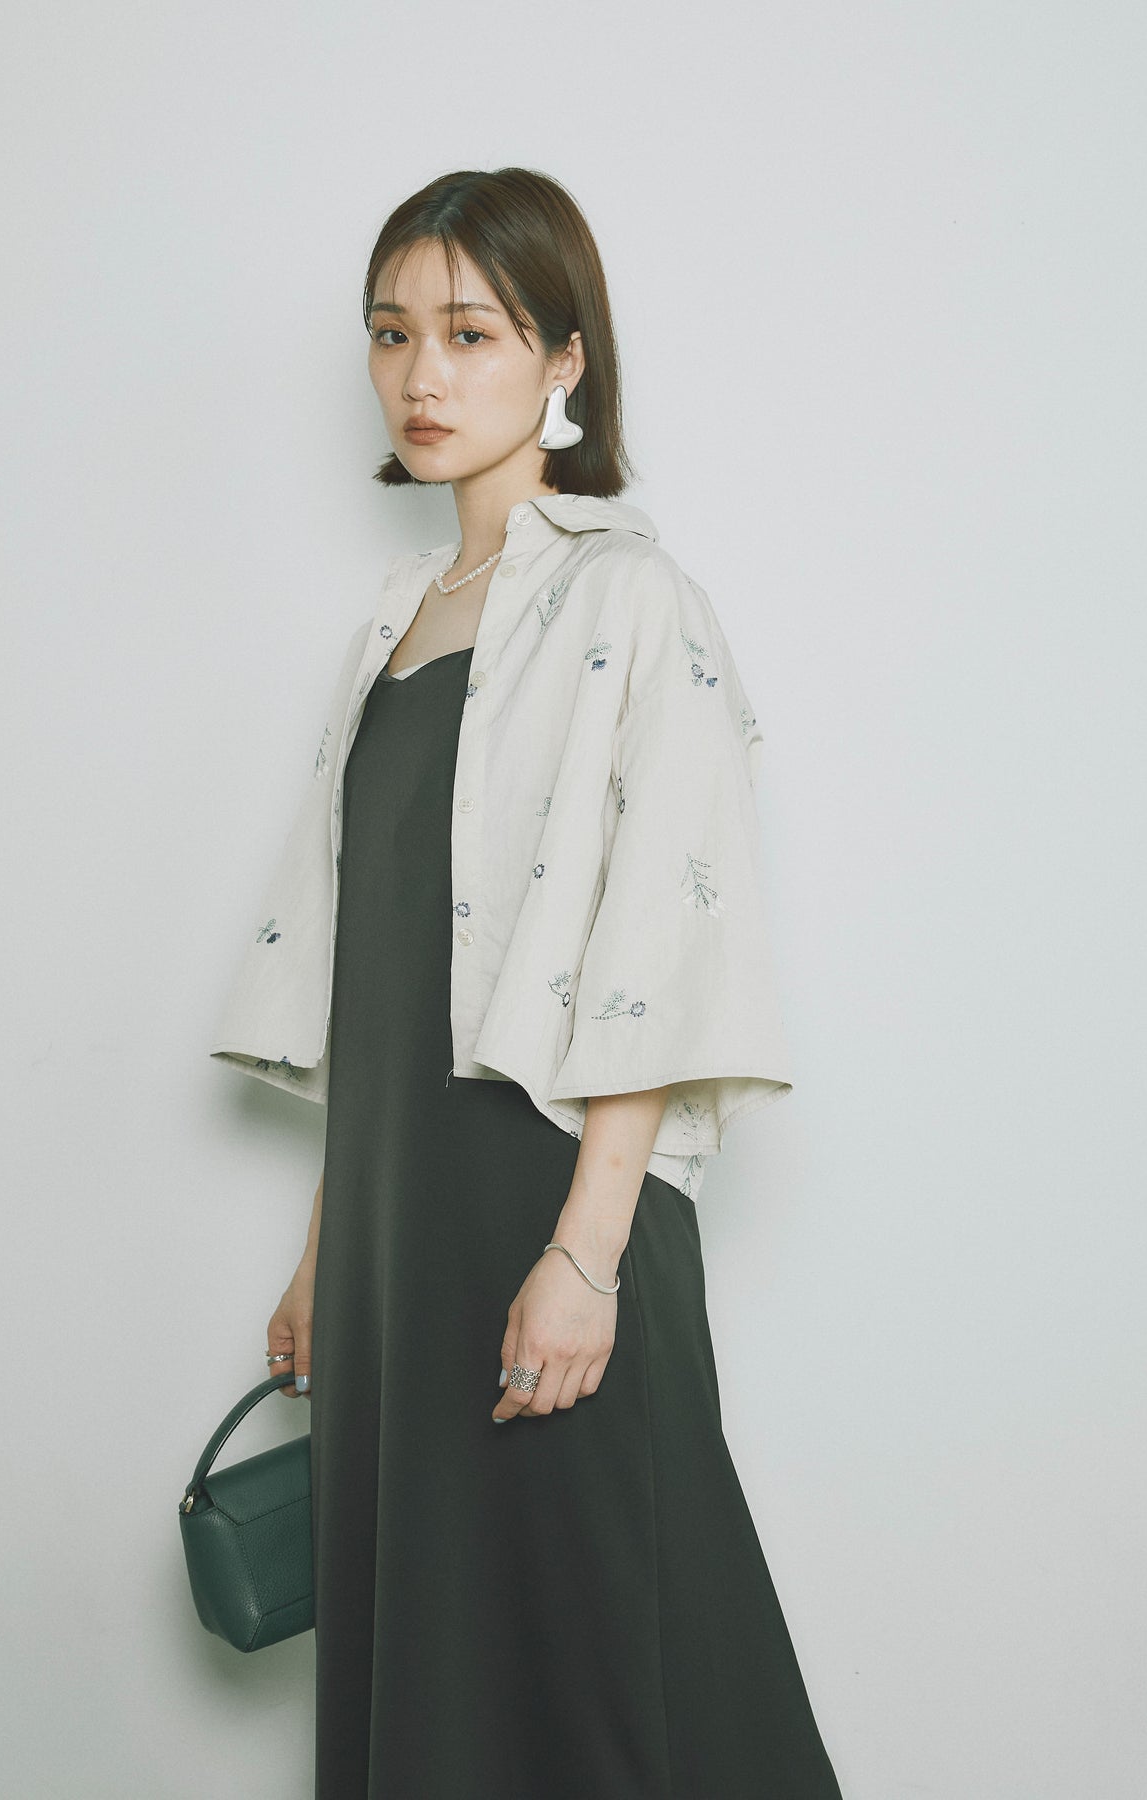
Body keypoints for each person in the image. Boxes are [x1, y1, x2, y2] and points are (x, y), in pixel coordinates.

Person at [209, 166, 845, 1800]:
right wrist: (327, 1245)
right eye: (390, 334)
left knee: (613, 1650)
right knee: (441, 1650)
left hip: (549, 1197)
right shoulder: (393, 626)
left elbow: (659, 937)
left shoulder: (631, 599)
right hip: (398, 1225)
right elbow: (374, 971)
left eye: (470, 334)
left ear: (563, 358)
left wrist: (586, 1253)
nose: (421, 375)